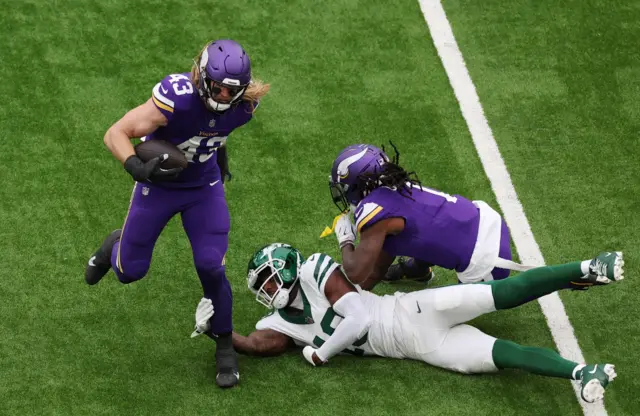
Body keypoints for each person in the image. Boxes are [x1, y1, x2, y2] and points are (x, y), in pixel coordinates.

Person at [193, 243, 623, 403]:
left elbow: (358, 317)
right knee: (499, 356)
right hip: (417, 348)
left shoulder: (313, 271)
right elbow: (257, 343)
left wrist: (322, 352)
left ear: (288, 269)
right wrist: (219, 330)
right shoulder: (279, 321)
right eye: (261, 285)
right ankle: (579, 372)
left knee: (502, 295)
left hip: (412, 311)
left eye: (269, 278)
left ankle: (588, 265)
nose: (268, 289)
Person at [84, 39, 269, 388]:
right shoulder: (177, 97)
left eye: (232, 92)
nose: (224, 98)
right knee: (130, 271)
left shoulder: (245, 106)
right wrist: (135, 165)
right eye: (218, 88)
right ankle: (114, 247)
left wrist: (218, 153)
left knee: (211, 265)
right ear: (201, 76)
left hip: (203, 188)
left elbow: (213, 131)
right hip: (160, 187)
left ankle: (226, 347)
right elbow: (116, 132)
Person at [327, 143, 530, 290]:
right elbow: (377, 267)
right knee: (426, 225)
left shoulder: (375, 211)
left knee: (417, 321)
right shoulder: (399, 186)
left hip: (486, 264)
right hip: (487, 221)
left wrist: (346, 240)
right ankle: (417, 269)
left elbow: (356, 273)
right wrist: (355, 296)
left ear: (358, 185)